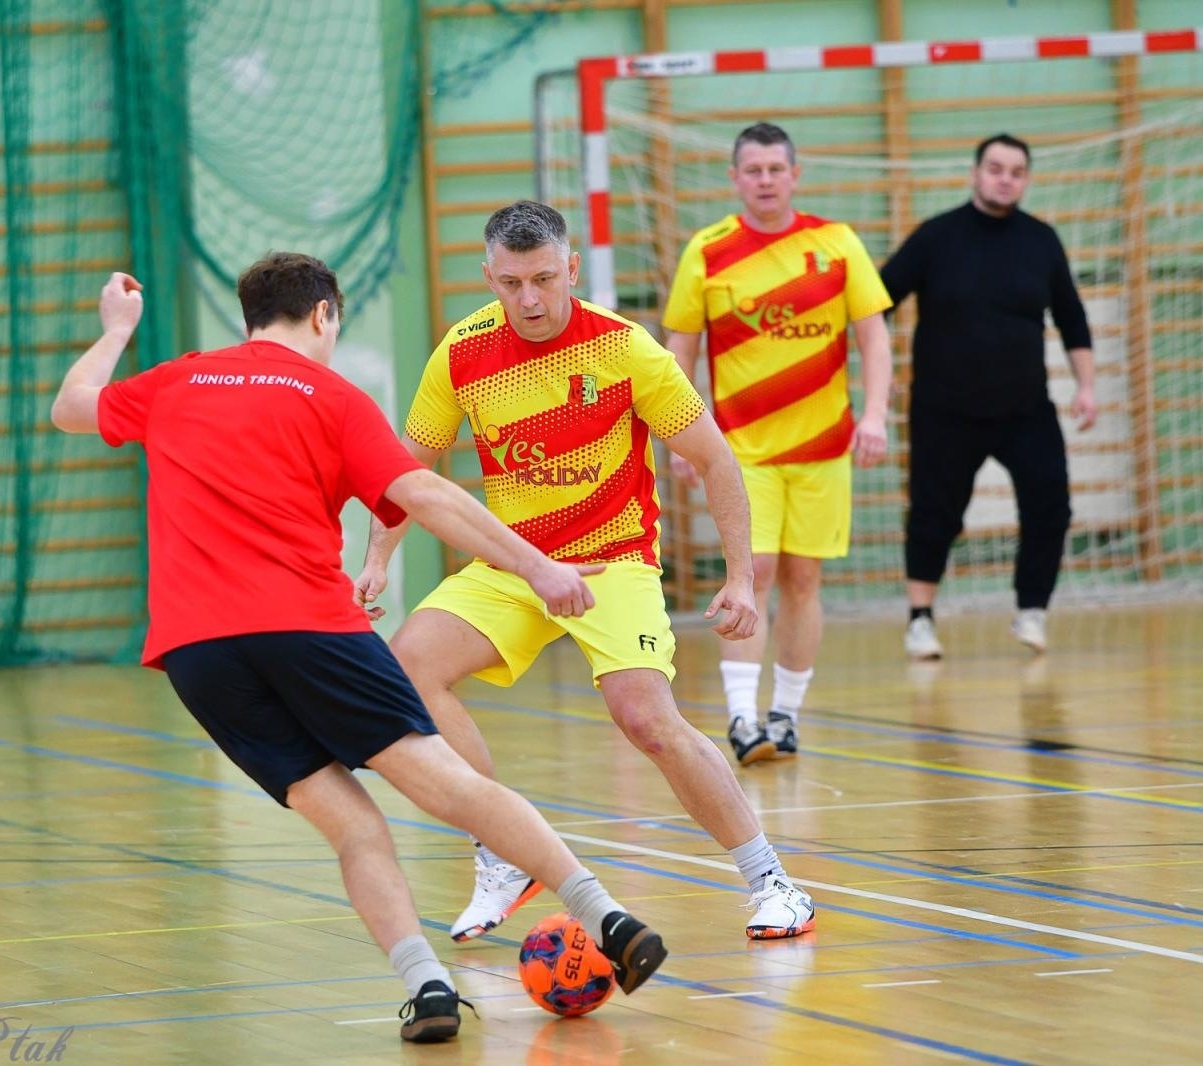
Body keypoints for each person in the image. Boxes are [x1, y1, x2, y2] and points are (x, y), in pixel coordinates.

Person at [49, 254, 666, 1045]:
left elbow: (71, 406)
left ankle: (427, 987)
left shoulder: (177, 381)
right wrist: (538, 566)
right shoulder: (332, 396)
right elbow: (428, 493)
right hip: (308, 626)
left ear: (250, 317)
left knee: (351, 826)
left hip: (199, 651)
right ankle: (606, 919)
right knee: (448, 784)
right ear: (323, 317)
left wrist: (115, 332)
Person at [357, 201, 818, 945]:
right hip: (514, 565)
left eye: (543, 278)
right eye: (511, 283)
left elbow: (713, 459)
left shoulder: (624, 349)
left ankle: (773, 882)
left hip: (613, 559)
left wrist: (740, 578)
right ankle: (503, 853)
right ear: (489, 278)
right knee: (407, 670)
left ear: (571, 268)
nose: (529, 300)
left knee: (646, 720)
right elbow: (409, 471)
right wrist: (378, 558)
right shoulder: (462, 353)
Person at [660, 122, 893, 765]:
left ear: (796, 174)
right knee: (752, 572)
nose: (765, 180)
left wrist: (873, 415)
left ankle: (785, 716)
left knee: (803, 578)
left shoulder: (837, 243)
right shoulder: (707, 252)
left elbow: (874, 336)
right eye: (753, 170)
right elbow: (681, 348)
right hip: (741, 450)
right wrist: (681, 435)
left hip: (823, 448)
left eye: (775, 169)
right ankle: (741, 720)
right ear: (735, 179)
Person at [878, 133, 1097, 659]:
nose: (1005, 178)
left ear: (1026, 179)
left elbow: (1071, 318)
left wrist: (1086, 385)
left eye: (1016, 171)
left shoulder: (1042, 241)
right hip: (943, 409)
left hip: (1025, 408)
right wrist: (881, 375)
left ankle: (1032, 612)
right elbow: (876, 302)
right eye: (995, 168)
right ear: (975, 173)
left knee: (1052, 507)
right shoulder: (936, 237)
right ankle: (920, 619)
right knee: (935, 513)